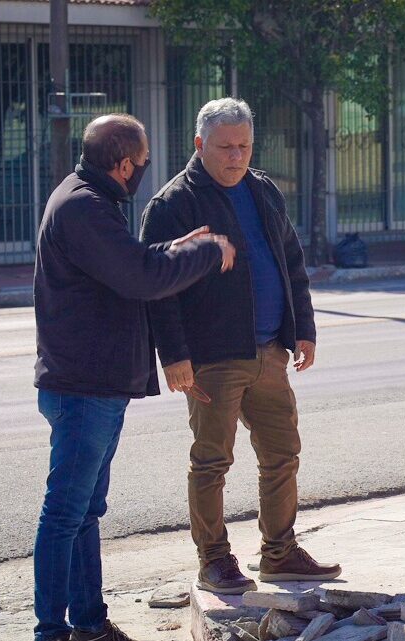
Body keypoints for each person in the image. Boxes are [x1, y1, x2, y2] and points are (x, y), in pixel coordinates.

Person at [33, 114, 235, 641]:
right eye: (143, 163)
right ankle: (52, 630)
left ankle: (88, 623)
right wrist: (207, 250)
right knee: (65, 514)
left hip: (92, 384)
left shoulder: (90, 201)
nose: (145, 171)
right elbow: (141, 278)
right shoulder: (84, 207)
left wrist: (177, 245)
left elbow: (131, 263)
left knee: (83, 513)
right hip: (83, 388)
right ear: (123, 164)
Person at [140, 98, 339, 595]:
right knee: (212, 461)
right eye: (225, 147)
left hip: (270, 351)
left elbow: (291, 263)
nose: (236, 157)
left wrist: (304, 329)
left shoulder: (264, 190)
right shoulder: (172, 204)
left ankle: (280, 553)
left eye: (244, 146)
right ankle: (214, 560)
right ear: (199, 144)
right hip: (211, 358)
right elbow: (157, 290)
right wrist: (175, 357)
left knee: (283, 454)